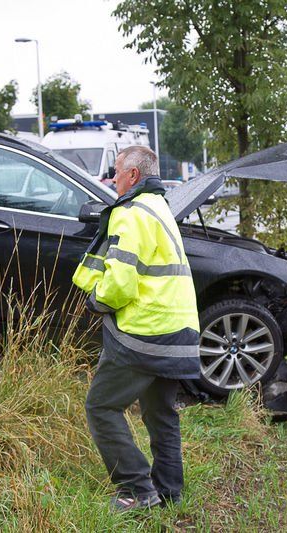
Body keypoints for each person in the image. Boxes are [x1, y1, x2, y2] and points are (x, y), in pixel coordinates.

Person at [73, 146, 200, 512]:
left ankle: (137, 490)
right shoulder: (160, 207)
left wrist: (96, 301)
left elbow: (121, 284)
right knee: (161, 413)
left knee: (101, 406)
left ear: (133, 175)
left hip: (144, 333)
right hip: (178, 330)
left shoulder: (130, 214)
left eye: (116, 172)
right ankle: (169, 493)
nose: (113, 179)